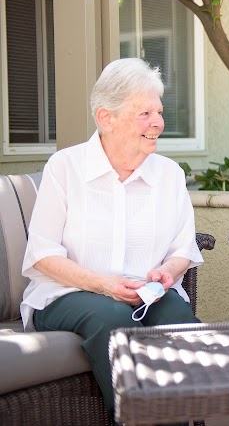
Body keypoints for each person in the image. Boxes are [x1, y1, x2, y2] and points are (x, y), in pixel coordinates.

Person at [20, 58, 204, 418]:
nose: (158, 123)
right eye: (145, 113)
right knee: (113, 319)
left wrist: (167, 271)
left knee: (180, 323)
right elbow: (42, 254)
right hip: (67, 294)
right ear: (107, 118)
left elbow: (183, 248)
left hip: (144, 294)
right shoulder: (65, 167)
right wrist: (103, 284)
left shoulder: (169, 174)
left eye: (159, 112)